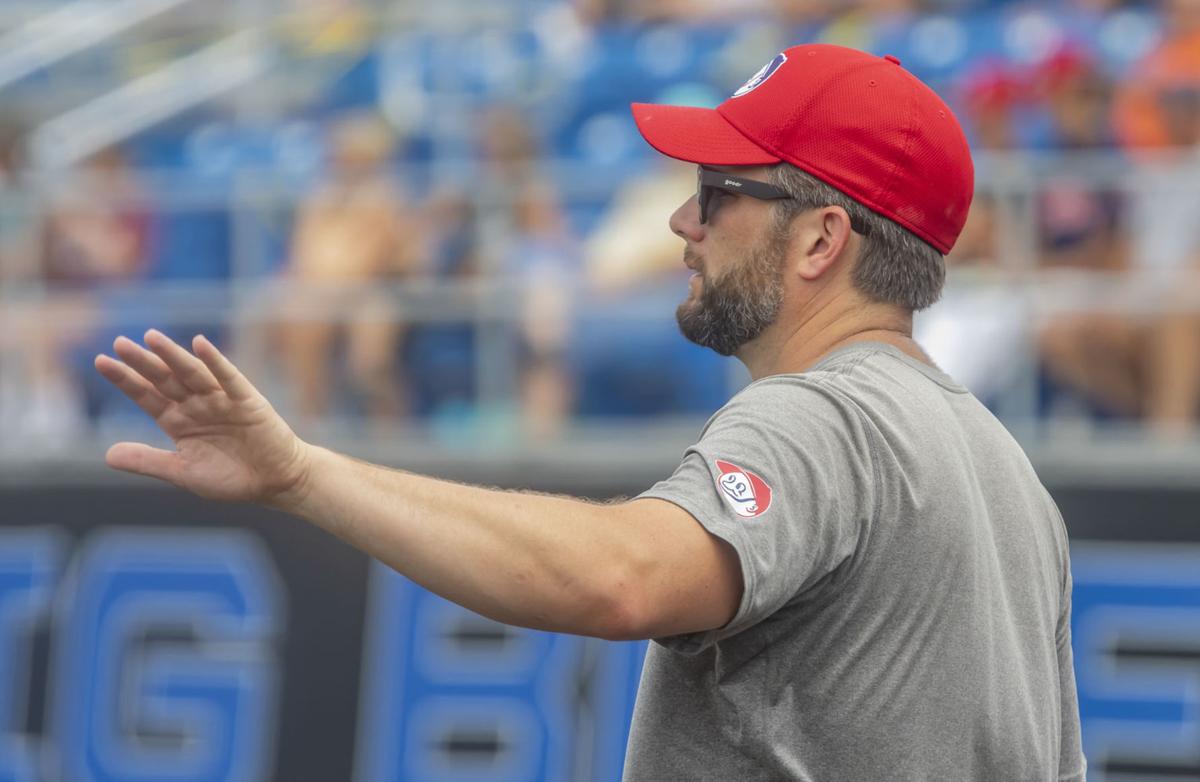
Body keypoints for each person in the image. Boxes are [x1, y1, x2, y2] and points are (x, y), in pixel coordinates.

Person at [93, 44, 1084, 780]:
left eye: (717, 193)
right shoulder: (1010, 474)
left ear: (822, 240)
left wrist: (303, 473)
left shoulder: (821, 417)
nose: (683, 222)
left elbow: (621, 579)